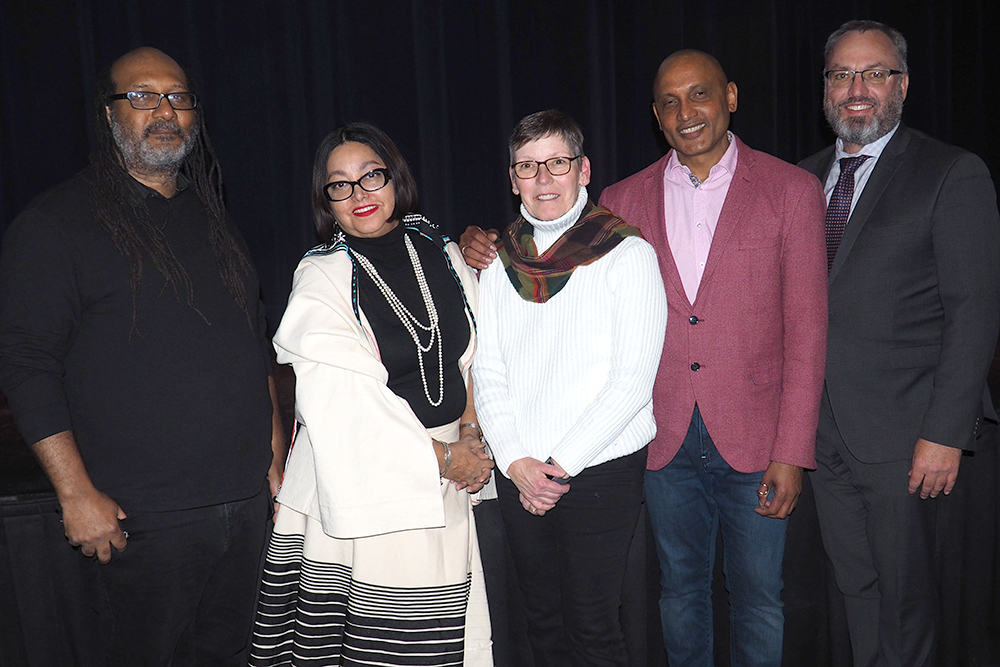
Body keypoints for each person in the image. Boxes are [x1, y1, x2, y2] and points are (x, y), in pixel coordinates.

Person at [463, 49, 828, 666]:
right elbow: (543, 262)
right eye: (668, 101)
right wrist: (485, 243)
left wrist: (793, 451)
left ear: (732, 97)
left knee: (760, 596)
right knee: (676, 594)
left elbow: (809, 331)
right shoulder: (623, 198)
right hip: (666, 445)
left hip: (749, 434)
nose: (685, 112)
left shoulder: (791, 190)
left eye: (701, 95)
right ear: (655, 115)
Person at [0, 47, 285, 664]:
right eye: (142, 96)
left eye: (177, 97)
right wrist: (76, 495)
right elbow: (27, 366)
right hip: (139, 521)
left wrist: (273, 458)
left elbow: (253, 346)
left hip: (242, 507)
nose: (164, 110)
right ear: (108, 116)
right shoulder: (55, 225)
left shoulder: (214, 218)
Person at [248, 122, 494, 666]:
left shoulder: (443, 251)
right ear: (325, 201)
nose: (359, 195)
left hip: (453, 473)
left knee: (451, 641)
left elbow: (473, 357)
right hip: (369, 481)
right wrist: (446, 459)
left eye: (371, 176)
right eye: (340, 185)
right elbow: (345, 406)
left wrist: (471, 437)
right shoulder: (322, 278)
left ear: (394, 178)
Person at [798, 20, 1000, 666]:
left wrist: (946, 430)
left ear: (903, 85)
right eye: (841, 75)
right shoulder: (801, 182)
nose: (856, 89)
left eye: (875, 73)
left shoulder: (951, 173)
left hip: (908, 437)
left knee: (907, 601)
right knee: (855, 589)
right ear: (825, 89)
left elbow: (974, 310)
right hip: (821, 437)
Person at [470, 109, 667, 667]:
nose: (544, 179)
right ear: (513, 180)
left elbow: (631, 383)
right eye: (528, 167)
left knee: (594, 631)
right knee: (542, 626)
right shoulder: (500, 261)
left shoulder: (627, 255)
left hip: (599, 469)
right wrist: (515, 462)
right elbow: (489, 371)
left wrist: (557, 467)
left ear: (583, 170)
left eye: (557, 162)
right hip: (521, 470)